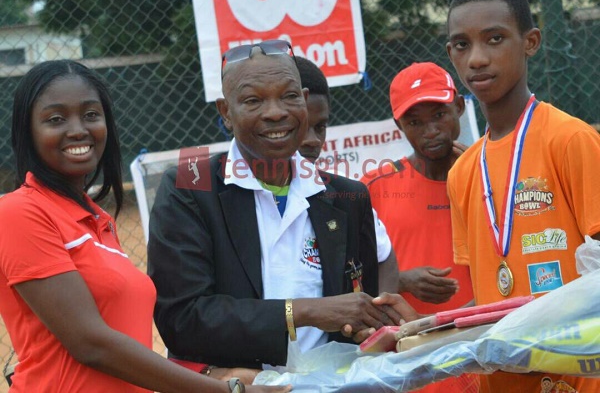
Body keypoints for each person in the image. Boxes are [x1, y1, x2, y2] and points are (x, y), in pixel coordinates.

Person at [0, 60, 289, 393]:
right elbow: (90, 344)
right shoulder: (20, 212)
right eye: (56, 119)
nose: (78, 129)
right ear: (27, 131)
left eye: (91, 114)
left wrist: (212, 376)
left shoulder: (98, 221)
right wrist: (228, 391)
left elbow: (124, 352)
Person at [147, 41, 417, 377]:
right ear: (226, 113)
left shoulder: (348, 196)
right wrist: (303, 312)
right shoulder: (188, 182)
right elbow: (182, 319)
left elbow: (357, 313)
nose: (275, 112)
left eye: (289, 96)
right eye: (253, 100)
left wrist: (370, 328)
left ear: (305, 101)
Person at [446, 0, 600, 392]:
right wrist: (424, 333)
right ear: (451, 54)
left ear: (530, 42)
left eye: (494, 39)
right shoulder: (463, 172)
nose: (477, 58)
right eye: (462, 45)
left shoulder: (570, 139)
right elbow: (487, 293)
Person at [359, 62, 478, 393]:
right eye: (414, 121)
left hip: (483, 350)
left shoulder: (487, 177)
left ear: (458, 106)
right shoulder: (373, 188)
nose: (430, 130)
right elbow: (346, 276)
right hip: (411, 366)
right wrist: (402, 279)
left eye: (439, 115)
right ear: (399, 125)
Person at [295, 56, 399, 294]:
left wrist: (379, 316)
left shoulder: (343, 196)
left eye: (320, 127)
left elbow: (385, 257)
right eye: (300, 127)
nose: (312, 140)